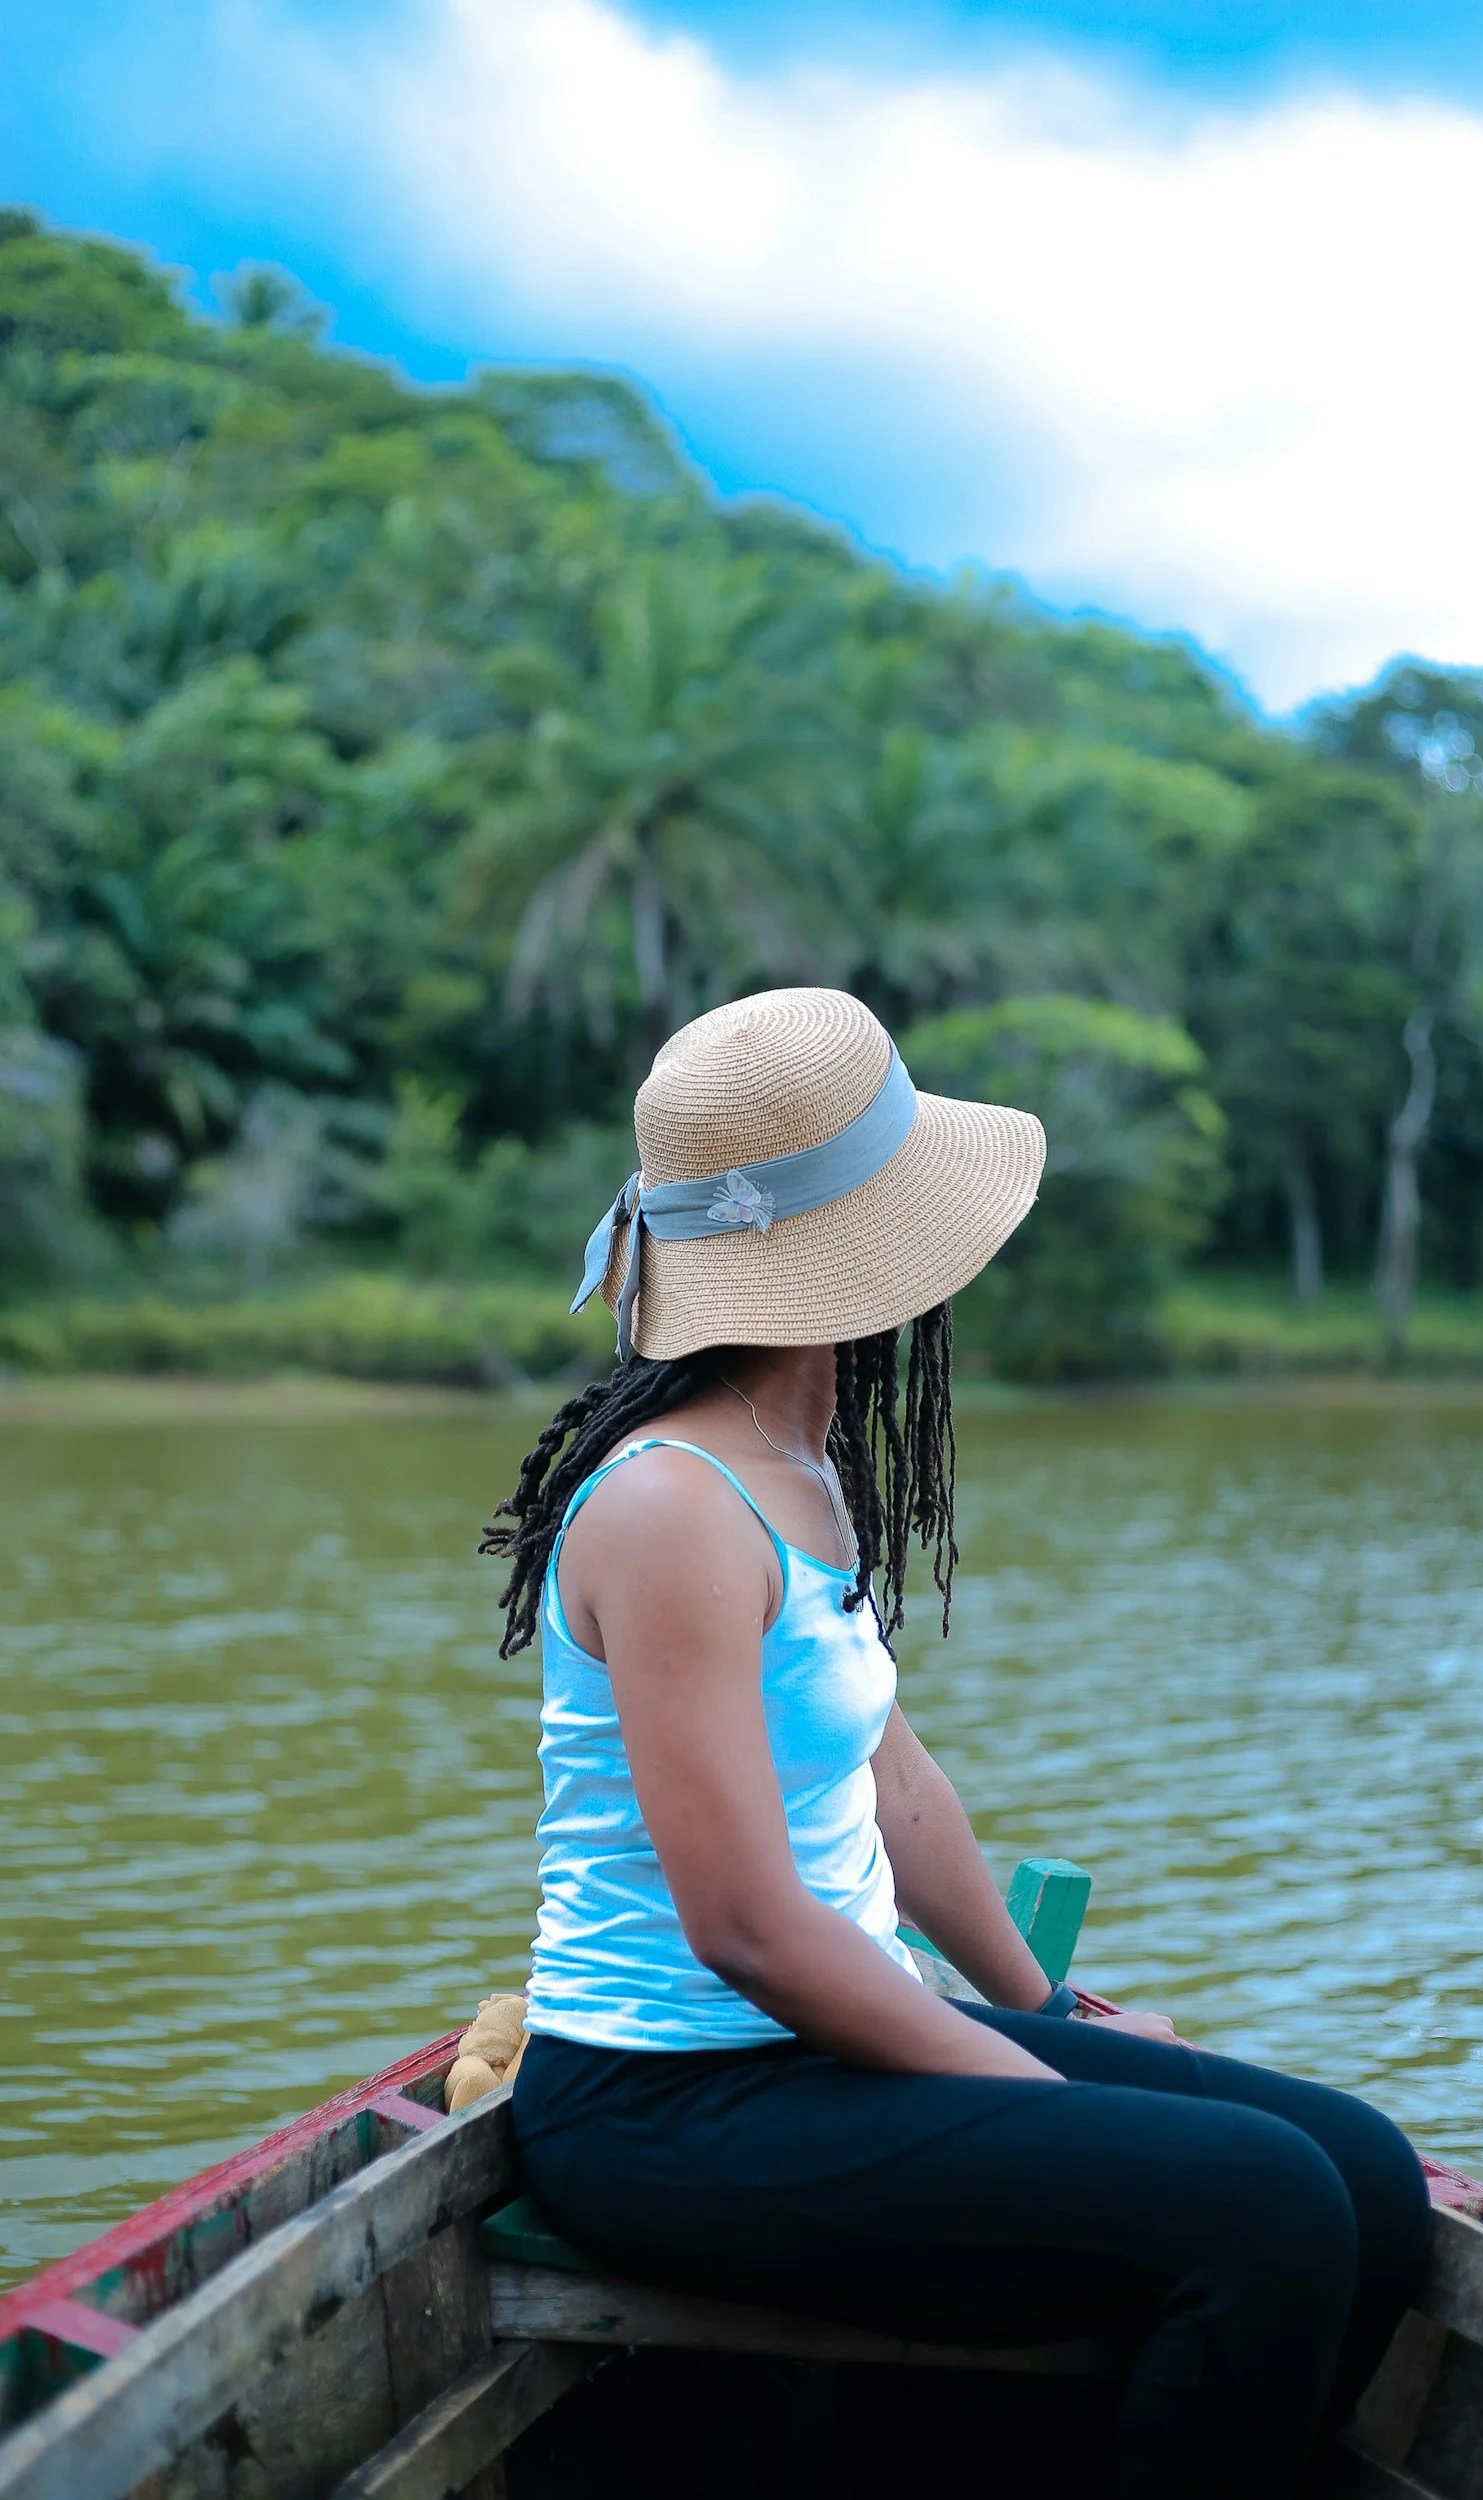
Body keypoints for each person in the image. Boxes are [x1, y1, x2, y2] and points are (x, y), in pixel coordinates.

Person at [484, 986, 1430, 2500]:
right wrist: (1028, 2087)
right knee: (1268, 2213)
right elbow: (746, 1930)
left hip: (823, 2055)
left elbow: (893, 1779)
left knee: (1367, 2179)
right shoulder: (669, 1504)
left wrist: (1047, 2004)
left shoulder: (798, 1463)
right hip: (669, 2107)